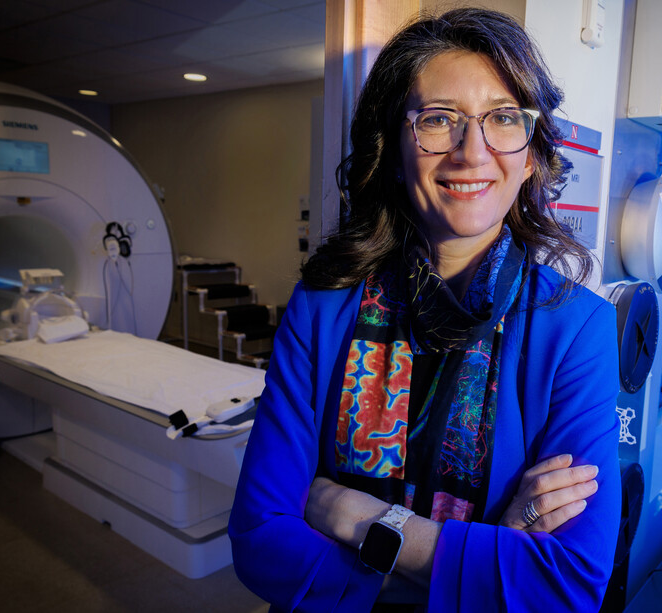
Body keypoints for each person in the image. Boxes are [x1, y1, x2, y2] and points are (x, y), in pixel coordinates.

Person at [229, 8, 621, 612]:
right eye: (438, 120)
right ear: (392, 148)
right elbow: (259, 538)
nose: (472, 152)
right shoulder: (322, 306)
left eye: (503, 118)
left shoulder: (575, 330)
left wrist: (347, 511)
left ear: (532, 154)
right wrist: (488, 554)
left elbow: (567, 586)